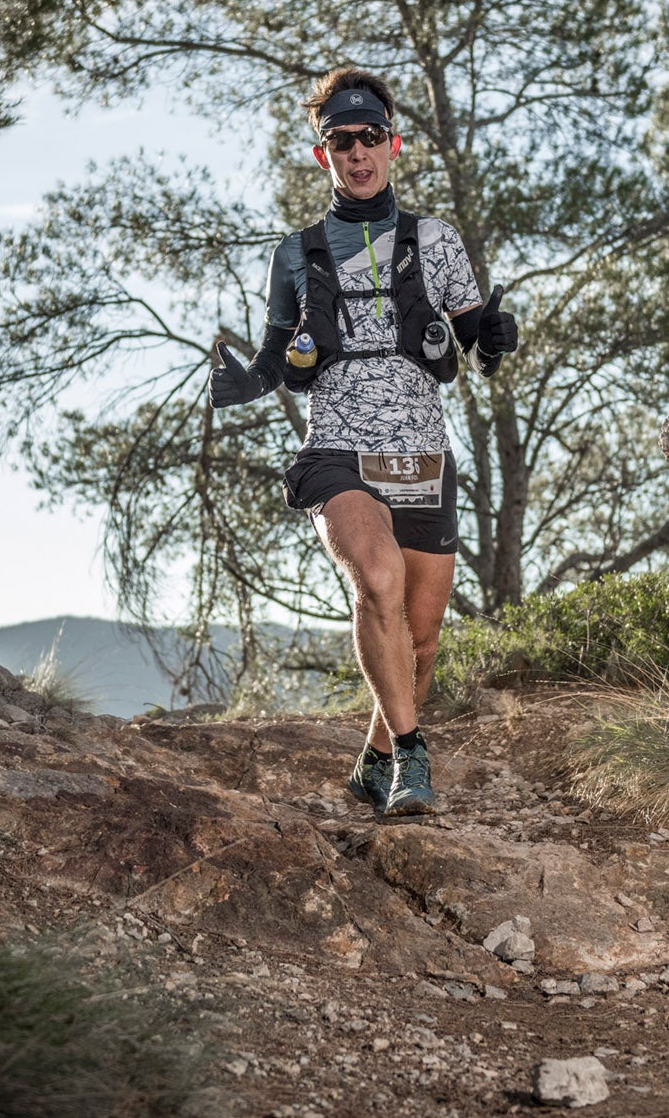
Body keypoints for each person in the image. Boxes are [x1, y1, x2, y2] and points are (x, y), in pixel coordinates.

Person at [208, 68, 519, 817]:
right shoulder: (297, 253)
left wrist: (495, 336)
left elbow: (474, 330)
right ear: (324, 156)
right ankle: (415, 760)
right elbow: (276, 360)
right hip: (336, 449)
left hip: (422, 455)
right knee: (376, 575)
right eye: (339, 141)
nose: (356, 151)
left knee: (421, 640)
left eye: (369, 136)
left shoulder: (435, 240)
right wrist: (242, 383)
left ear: (393, 143)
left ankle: (376, 760)